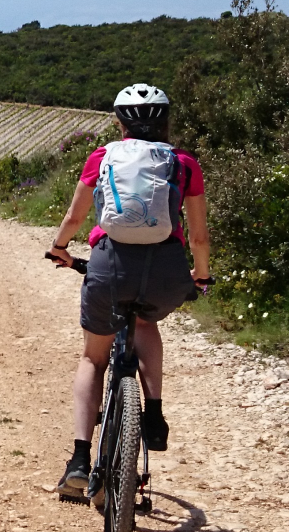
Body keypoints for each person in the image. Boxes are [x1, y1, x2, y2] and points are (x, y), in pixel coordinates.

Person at [46, 84, 212, 499]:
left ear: (119, 122)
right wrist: (202, 276)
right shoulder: (184, 163)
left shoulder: (102, 158)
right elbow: (199, 237)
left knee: (92, 357)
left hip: (109, 266)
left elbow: (75, 215)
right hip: (165, 270)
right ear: (166, 121)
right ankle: (152, 414)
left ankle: (81, 461)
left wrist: (60, 248)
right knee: (147, 323)